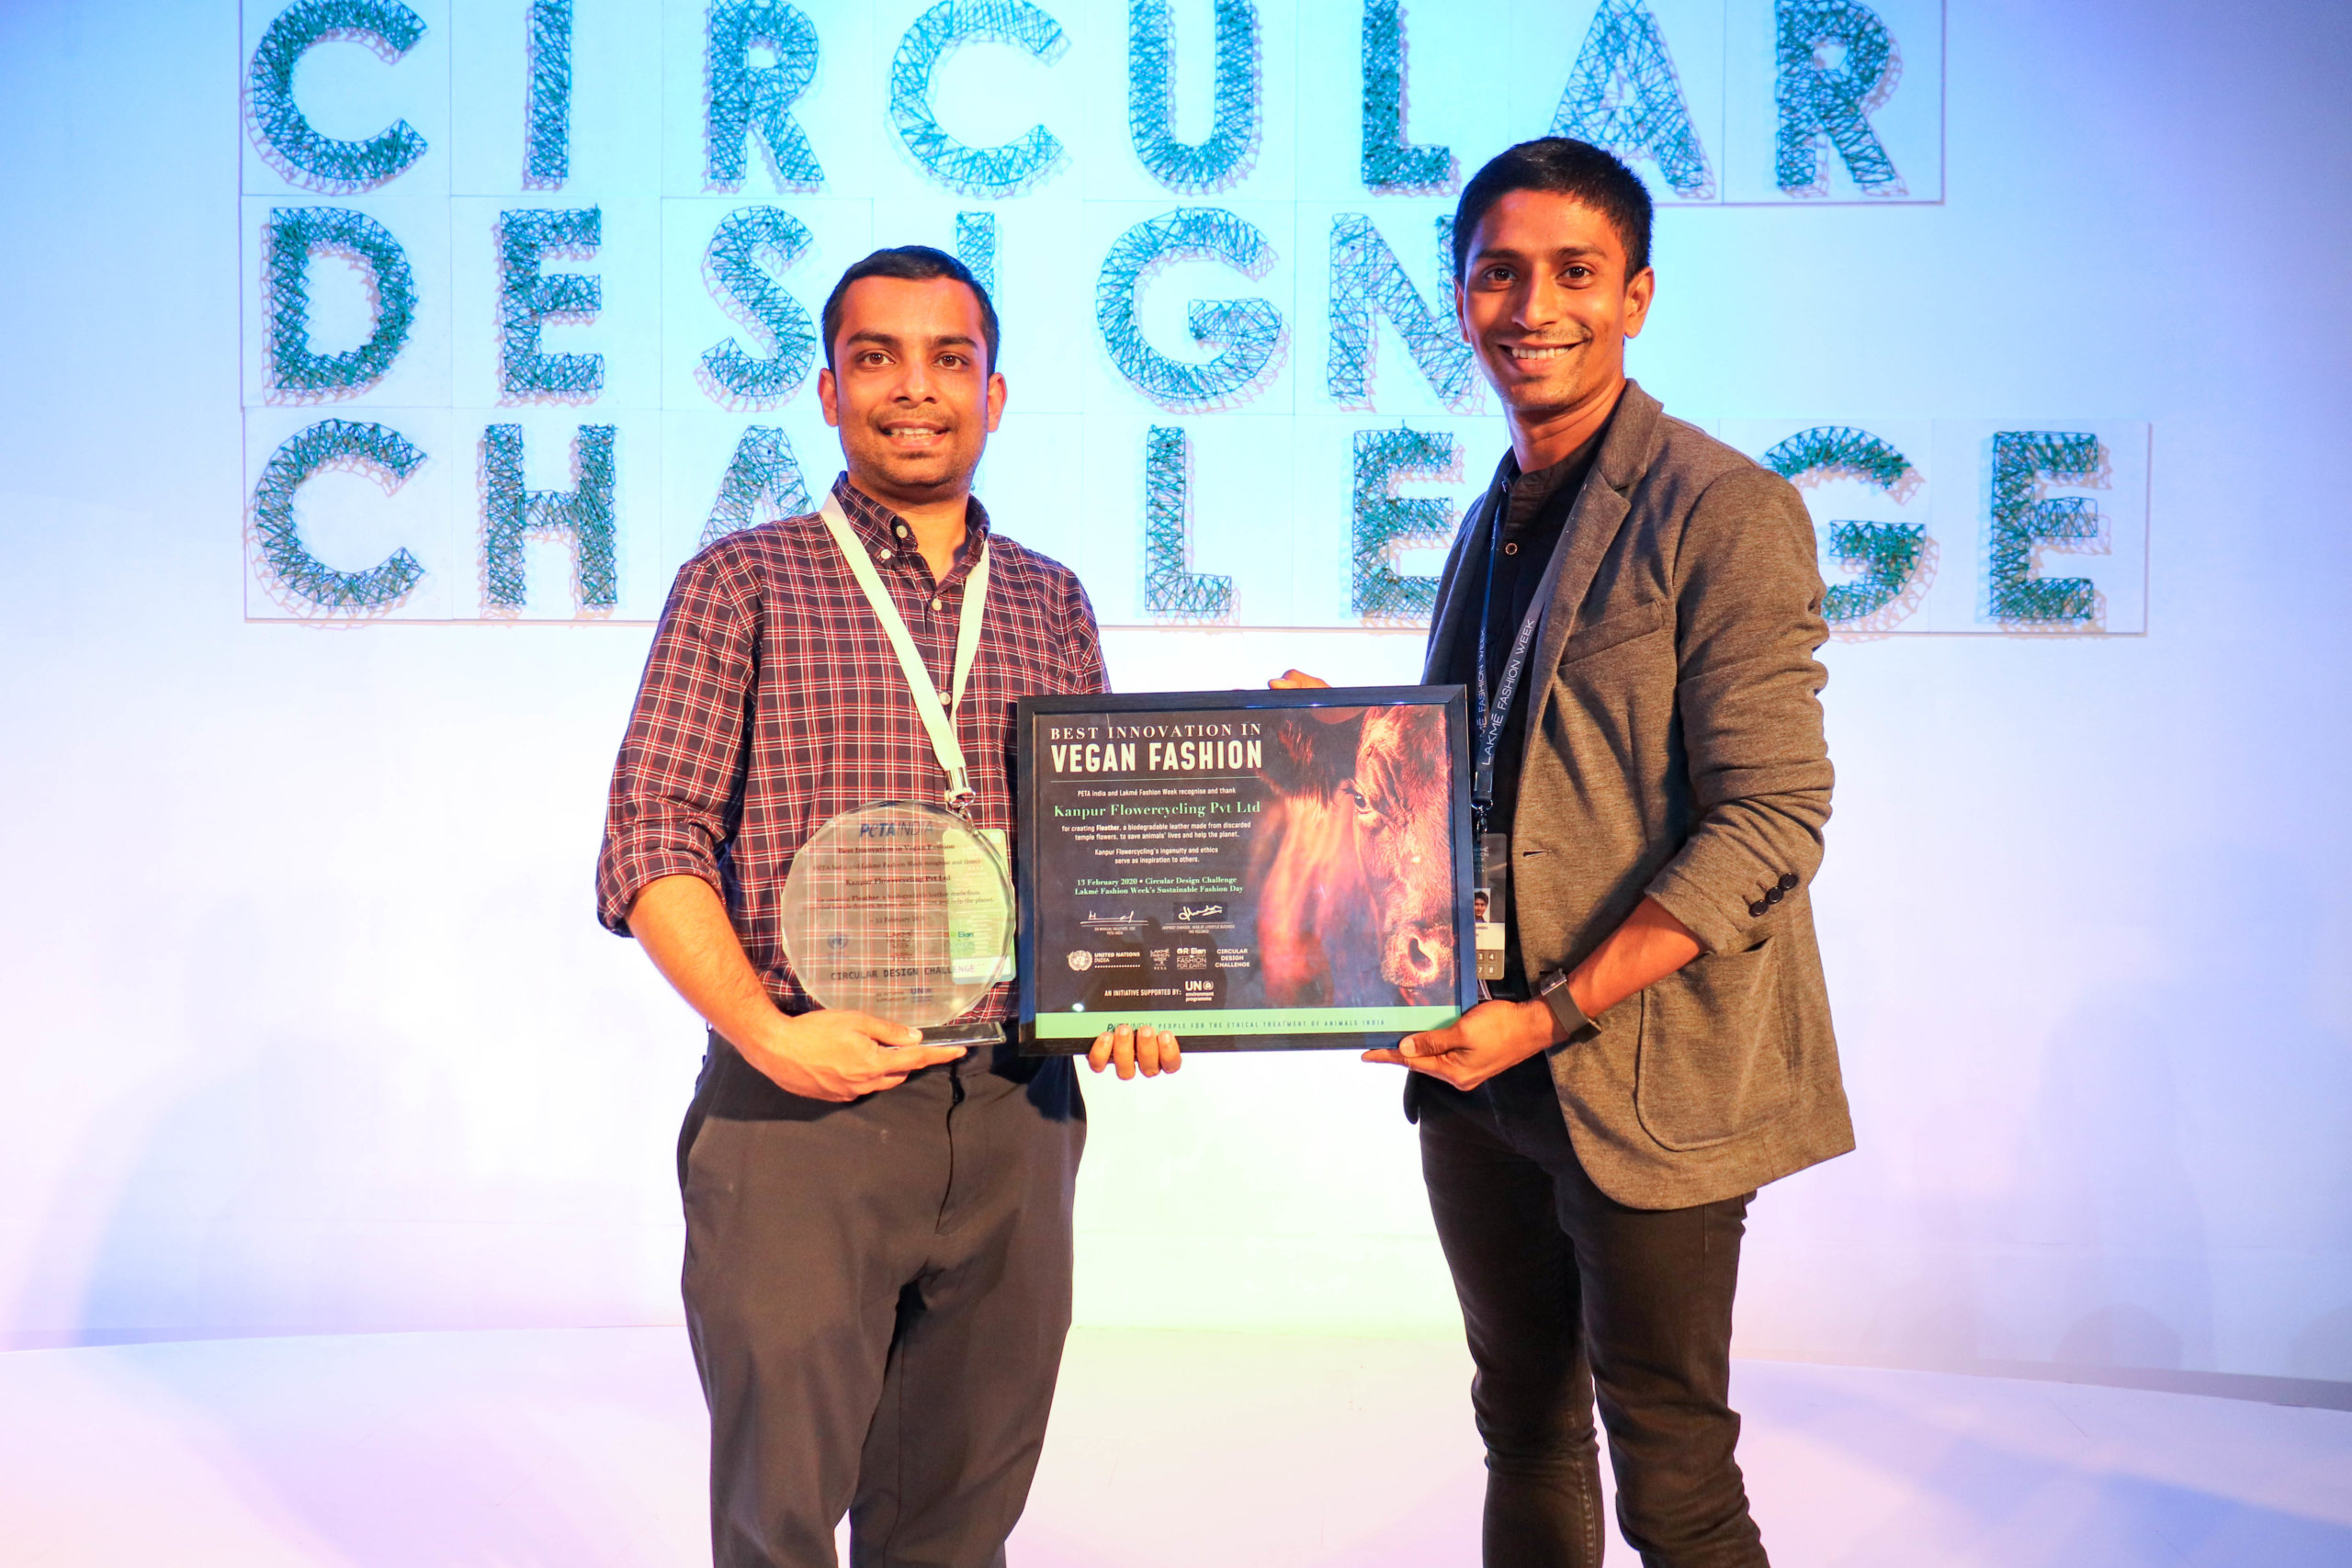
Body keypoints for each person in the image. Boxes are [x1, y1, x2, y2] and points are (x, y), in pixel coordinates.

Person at [1276, 139, 1853, 1565]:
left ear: (1638, 295)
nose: (1535, 306)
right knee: (1524, 1430)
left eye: (1576, 273)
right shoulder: (1497, 515)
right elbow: (1492, 783)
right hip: (1480, 1065)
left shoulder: (1724, 509)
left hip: (1642, 1072)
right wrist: (1337, 749)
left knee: (1674, 1475)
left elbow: (1772, 821)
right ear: (1463, 301)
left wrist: (1554, 1010)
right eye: (1498, 274)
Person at [597, 246, 1180, 1568]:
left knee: (960, 1523)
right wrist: (767, 1031)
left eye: (948, 359)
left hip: (1017, 1110)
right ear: (826, 388)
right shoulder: (741, 583)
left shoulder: (1050, 599)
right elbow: (649, 837)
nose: (914, 390)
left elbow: (1096, 857)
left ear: (995, 392)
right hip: (804, 1106)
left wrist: (1131, 992)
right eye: (877, 358)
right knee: (781, 1520)